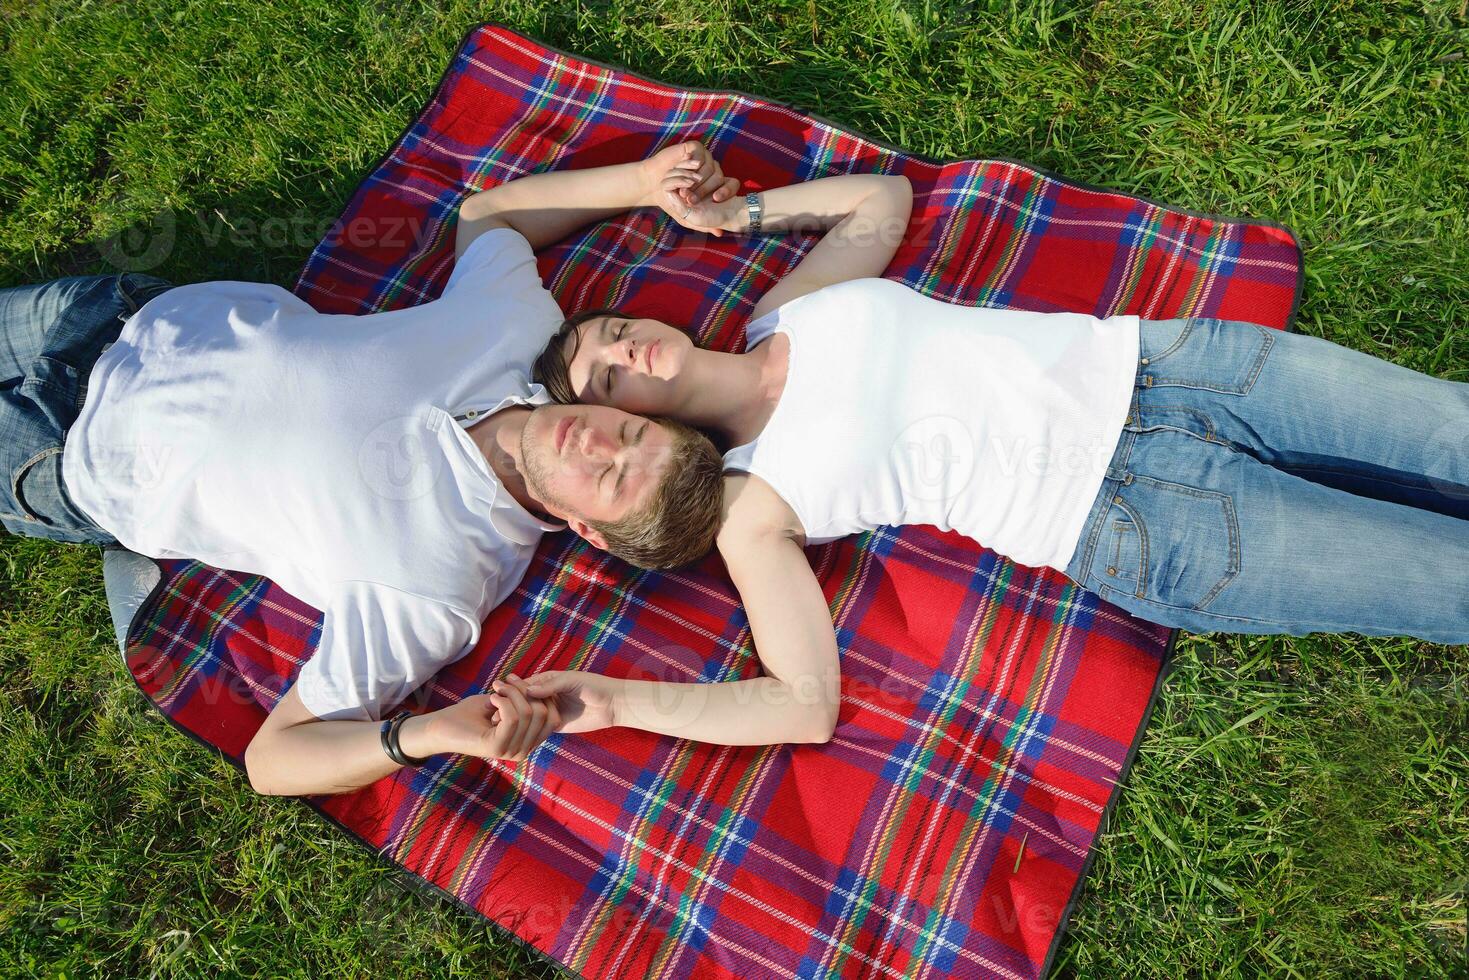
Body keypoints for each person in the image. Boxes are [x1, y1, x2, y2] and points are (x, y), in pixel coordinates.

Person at [520, 162, 1469, 747]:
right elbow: (799, 705)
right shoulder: (747, 505)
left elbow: (878, 201)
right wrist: (611, 701)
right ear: (625, 425)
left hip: (1173, 367)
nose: (617, 350)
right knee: (1449, 579)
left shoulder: (786, 308)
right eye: (603, 382)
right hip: (1142, 519)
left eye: (606, 328)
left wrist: (734, 218)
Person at [0, 142, 734, 796]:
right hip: (120, 319)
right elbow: (491, 219)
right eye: (631, 430)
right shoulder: (525, 333)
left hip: (65, 458)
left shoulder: (436, 588)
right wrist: (641, 180)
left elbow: (274, 760)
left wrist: (427, 733)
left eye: (611, 477)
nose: (595, 442)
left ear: (587, 532)